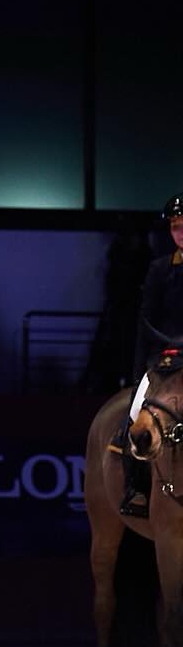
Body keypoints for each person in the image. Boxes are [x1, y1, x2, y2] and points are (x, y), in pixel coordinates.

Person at [119, 194, 183, 517]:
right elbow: (146, 319)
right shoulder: (160, 269)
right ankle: (138, 490)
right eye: (175, 227)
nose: (180, 233)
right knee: (133, 414)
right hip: (166, 360)